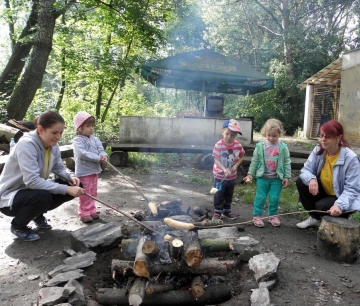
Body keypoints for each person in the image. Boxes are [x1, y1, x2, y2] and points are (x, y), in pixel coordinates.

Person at [0, 111, 84, 242]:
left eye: (60, 133)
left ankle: (36, 213)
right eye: (54, 132)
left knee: (76, 185)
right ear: (40, 129)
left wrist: (70, 176)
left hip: (32, 191)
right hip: (10, 196)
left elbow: (58, 167)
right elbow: (32, 182)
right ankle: (18, 226)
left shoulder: (52, 145)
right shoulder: (27, 145)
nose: (58, 137)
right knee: (42, 197)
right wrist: (66, 189)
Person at [296, 120, 360, 229]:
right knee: (301, 182)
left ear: (339, 138)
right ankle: (315, 218)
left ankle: (343, 216)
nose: (323, 139)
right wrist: (312, 179)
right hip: (326, 191)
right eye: (321, 136)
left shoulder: (351, 159)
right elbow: (306, 169)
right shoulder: (319, 150)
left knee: (321, 206)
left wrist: (339, 204)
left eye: (328, 136)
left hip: (341, 195)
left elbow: (352, 189)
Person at [243, 119, 291, 227]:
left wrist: (287, 176)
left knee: (274, 198)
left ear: (279, 134)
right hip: (262, 178)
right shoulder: (260, 146)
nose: (271, 138)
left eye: (274, 136)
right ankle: (257, 216)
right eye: (269, 135)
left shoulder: (283, 147)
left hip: (276, 178)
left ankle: (273, 216)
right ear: (265, 133)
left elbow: (287, 162)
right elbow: (255, 161)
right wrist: (250, 173)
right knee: (260, 197)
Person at [73, 111, 108, 223]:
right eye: (88, 126)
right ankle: (84, 212)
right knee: (85, 193)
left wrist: (103, 156)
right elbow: (82, 154)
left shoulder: (95, 139)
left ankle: (92, 210)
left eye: (92, 126)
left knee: (93, 191)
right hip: (84, 172)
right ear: (79, 128)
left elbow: (101, 150)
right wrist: (97, 158)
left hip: (94, 171)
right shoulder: (77, 140)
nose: (91, 128)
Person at [212, 119, 245, 220]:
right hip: (219, 176)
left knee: (229, 193)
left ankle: (227, 210)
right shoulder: (219, 145)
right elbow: (216, 159)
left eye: (233, 135)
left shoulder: (238, 145)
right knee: (219, 193)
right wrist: (223, 169)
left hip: (232, 176)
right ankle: (217, 211)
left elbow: (242, 156)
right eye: (227, 134)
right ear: (223, 131)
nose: (229, 137)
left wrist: (236, 166)